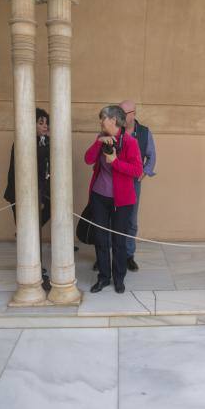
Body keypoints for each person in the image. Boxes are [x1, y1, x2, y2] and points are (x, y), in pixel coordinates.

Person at [84, 105, 143, 294]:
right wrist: (99, 142)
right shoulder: (100, 139)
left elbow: (137, 170)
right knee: (101, 239)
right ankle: (103, 278)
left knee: (118, 241)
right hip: (99, 197)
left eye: (103, 118)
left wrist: (115, 162)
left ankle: (119, 279)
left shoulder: (129, 142)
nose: (101, 122)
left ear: (114, 121)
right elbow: (88, 159)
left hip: (122, 201)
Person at [4, 108, 51, 290]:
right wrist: (49, 144)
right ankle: (34, 272)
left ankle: (35, 265)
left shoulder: (44, 141)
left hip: (39, 194)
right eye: (40, 123)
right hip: (20, 195)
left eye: (46, 122)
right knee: (30, 234)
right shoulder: (24, 142)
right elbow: (35, 158)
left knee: (33, 231)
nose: (45, 126)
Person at [118, 99, 157, 271]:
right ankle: (106, 255)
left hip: (133, 182)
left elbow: (152, 155)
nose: (119, 117)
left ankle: (128, 255)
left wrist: (144, 172)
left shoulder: (144, 132)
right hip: (114, 180)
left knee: (131, 220)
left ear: (133, 114)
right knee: (111, 219)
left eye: (123, 114)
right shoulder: (114, 129)